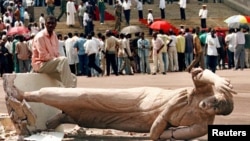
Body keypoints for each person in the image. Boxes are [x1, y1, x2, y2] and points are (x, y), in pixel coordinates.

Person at [9, 67, 236, 141]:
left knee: (99, 119)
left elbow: (158, 136)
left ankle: (66, 117)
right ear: (214, 94)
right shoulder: (205, 89)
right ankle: (28, 95)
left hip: (143, 121)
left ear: (216, 115)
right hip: (143, 97)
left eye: (213, 109)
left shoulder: (202, 126)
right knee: (88, 97)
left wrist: (166, 115)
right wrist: (217, 79)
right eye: (212, 101)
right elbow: (201, 73)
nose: (208, 106)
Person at [31, 15, 77, 88]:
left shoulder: (54, 35)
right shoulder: (40, 37)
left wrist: (57, 60)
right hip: (41, 65)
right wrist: (57, 60)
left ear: (55, 25)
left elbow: (56, 53)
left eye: (52, 23)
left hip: (51, 64)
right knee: (63, 60)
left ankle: (68, 97)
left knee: (73, 78)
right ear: (45, 24)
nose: (50, 25)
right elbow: (43, 56)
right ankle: (69, 92)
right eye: (48, 23)